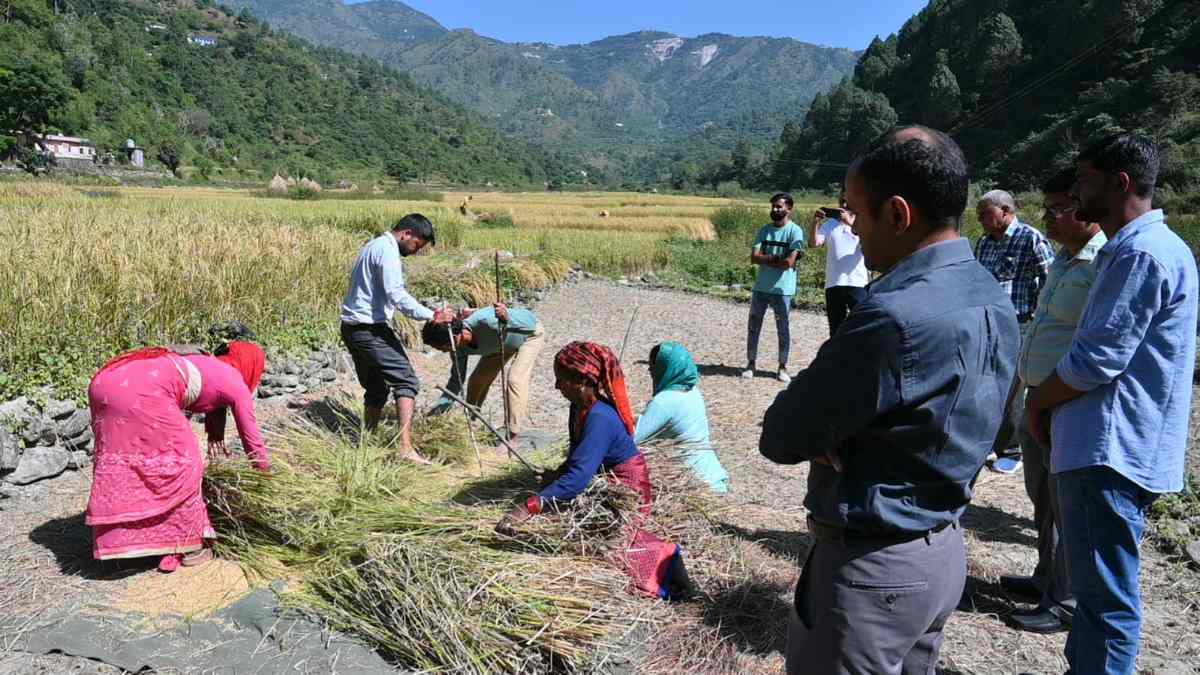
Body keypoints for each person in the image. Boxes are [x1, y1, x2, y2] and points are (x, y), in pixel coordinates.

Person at [760, 125, 1019, 674]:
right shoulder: (988, 292)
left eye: (854, 212)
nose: (847, 227)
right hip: (943, 551)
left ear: (898, 215)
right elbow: (984, 420)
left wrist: (839, 435)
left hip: (873, 571)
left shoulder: (893, 315)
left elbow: (782, 434)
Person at [1025, 134, 1197, 675]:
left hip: (1109, 449)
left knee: (1104, 604)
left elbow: (1095, 360)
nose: (1075, 191)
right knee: (1100, 598)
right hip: (1107, 446)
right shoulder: (1140, 248)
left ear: (1120, 183)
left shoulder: (1141, 253)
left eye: (1084, 179)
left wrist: (1039, 401)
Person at [496, 341, 687, 600]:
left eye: (561, 380)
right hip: (602, 481)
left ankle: (665, 558)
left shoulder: (600, 418)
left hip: (627, 492)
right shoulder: (579, 408)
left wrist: (528, 508)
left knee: (602, 558)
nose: (556, 386)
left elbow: (578, 480)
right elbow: (578, 458)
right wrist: (558, 474)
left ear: (582, 380)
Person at [1002, 168, 1106, 633]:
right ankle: (1046, 577)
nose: (1049, 218)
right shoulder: (1065, 259)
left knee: (1066, 506)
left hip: (1064, 405)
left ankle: (1063, 601)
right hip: (1036, 400)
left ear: (1086, 210)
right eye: (1046, 209)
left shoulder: (1103, 263)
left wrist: (1048, 397)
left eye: (1059, 208)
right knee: (1042, 500)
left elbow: (1095, 346)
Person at [85, 341, 270, 573]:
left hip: (105, 381)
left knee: (124, 461)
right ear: (251, 364)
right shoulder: (234, 380)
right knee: (185, 463)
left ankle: (119, 546)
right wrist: (265, 474)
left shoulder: (207, 363)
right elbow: (251, 436)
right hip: (142, 388)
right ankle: (187, 543)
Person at [339, 214, 452, 463]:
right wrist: (431, 315)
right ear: (406, 234)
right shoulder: (387, 251)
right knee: (406, 380)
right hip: (368, 329)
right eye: (417, 246)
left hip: (353, 327)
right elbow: (396, 295)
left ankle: (367, 440)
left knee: (377, 386)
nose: (414, 252)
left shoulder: (374, 245)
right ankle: (404, 448)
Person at [975, 190, 1055, 473]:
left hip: (1018, 323)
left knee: (1010, 386)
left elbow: (1051, 278)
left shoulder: (1030, 238)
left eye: (986, 213)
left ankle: (1011, 448)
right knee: (985, 382)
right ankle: (985, 443)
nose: (980, 219)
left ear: (1006, 211)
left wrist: (1038, 313)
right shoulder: (984, 242)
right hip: (986, 323)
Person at [423, 302, 546, 449]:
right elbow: (456, 382)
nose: (443, 352)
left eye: (442, 348)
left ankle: (513, 435)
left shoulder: (486, 321)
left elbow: (530, 323)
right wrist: (438, 411)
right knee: (477, 380)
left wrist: (507, 319)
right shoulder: (458, 350)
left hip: (529, 337)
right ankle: (471, 421)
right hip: (500, 347)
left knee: (515, 380)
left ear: (455, 338)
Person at [634, 342, 729, 493]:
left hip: (696, 484)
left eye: (653, 368)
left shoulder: (665, 401)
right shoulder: (692, 391)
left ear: (664, 369)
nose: (651, 372)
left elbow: (632, 440)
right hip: (713, 476)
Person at [743, 192, 805, 383]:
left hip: (782, 290)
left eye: (779, 206)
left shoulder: (795, 232)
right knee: (754, 326)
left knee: (783, 328)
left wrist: (767, 259)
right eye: (773, 206)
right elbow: (754, 257)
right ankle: (751, 363)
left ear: (789, 209)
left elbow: (789, 262)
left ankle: (782, 367)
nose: (775, 210)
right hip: (761, 287)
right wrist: (776, 259)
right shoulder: (764, 230)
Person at [807, 197, 868, 336]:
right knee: (835, 329)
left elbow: (869, 242)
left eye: (848, 201)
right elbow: (813, 243)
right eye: (842, 201)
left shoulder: (862, 223)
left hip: (857, 282)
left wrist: (849, 222)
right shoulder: (829, 224)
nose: (844, 205)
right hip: (833, 283)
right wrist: (815, 223)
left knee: (861, 326)